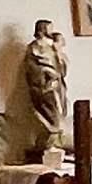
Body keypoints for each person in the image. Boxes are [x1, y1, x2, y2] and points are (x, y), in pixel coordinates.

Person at [21, 20, 69, 162]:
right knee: (52, 115)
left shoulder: (52, 45)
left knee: (60, 111)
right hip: (45, 87)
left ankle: (56, 142)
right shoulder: (34, 47)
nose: (51, 31)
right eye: (48, 28)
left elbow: (61, 67)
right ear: (41, 30)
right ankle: (49, 143)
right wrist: (47, 72)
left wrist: (59, 53)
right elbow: (33, 69)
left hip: (57, 85)